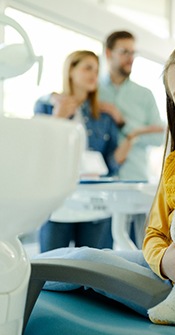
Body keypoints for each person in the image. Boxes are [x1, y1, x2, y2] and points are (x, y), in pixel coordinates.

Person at [37, 38, 175, 331]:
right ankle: (18, 273)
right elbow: (154, 232)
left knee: (85, 260)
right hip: (167, 272)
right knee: (90, 255)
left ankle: (17, 275)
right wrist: (165, 260)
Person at [34, 50, 123, 252]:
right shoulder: (47, 105)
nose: (94, 74)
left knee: (94, 270)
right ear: (71, 71)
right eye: (88, 68)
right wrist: (58, 117)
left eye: (97, 69)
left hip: (95, 199)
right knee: (52, 270)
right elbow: (39, 150)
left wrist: (126, 147)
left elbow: (110, 163)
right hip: (57, 200)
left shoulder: (103, 116)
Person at [99, 30, 165, 248]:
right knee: (100, 252)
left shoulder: (144, 95)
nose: (130, 58)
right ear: (109, 53)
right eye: (124, 52)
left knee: (139, 251)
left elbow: (159, 136)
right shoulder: (94, 91)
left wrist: (127, 128)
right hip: (100, 183)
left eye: (133, 52)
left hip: (135, 182)